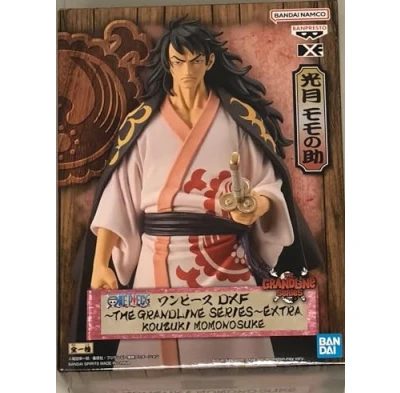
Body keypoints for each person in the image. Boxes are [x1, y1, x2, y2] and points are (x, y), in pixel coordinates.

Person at [70, 16, 323, 368]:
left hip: (228, 259)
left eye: (194, 61)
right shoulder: (143, 123)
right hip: (159, 257)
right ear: (168, 63)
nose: (186, 70)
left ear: (209, 61)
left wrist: (255, 205)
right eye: (178, 61)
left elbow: (268, 182)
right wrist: (101, 263)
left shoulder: (237, 119)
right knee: (153, 362)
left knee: (240, 358)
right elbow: (118, 197)